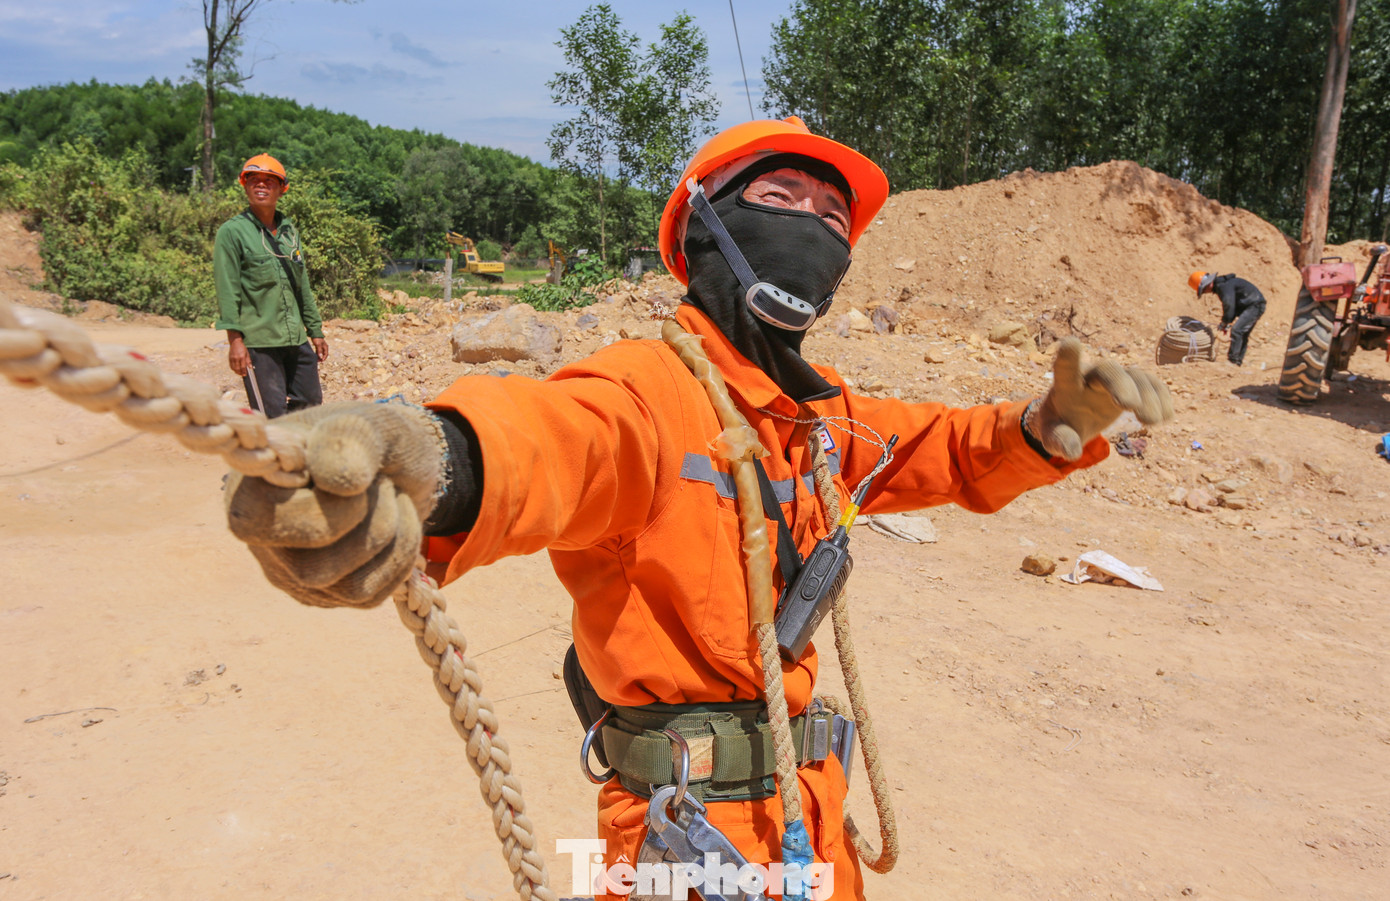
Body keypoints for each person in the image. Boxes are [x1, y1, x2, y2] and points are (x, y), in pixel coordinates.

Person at [224, 118, 1173, 900]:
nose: (813, 225)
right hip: (686, 849)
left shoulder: (822, 415)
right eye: (780, 199)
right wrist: (435, 461)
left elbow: (946, 447)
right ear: (704, 228)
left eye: (833, 215)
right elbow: (556, 437)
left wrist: (1051, 426)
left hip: (807, 821)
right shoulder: (651, 388)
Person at [214, 153, 328, 418]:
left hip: (294, 337)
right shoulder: (232, 232)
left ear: (281, 188)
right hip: (259, 342)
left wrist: (316, 330)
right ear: (245, 186)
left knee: (310, 403)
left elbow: (302, 285)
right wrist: (235, 341)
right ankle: (273, 456)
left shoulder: (289, 231)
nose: (261, 185)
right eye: (254, 180)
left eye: (269, 181)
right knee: (271, 414)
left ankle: (297, 453)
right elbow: (227, 290)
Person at [1189, 270, 1266, 366]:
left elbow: (1229, 305)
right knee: (1242, 333)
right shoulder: (1223, 285)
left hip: (1254, 305)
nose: (1205, 292)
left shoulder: (1223, 286)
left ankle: (1233, 361)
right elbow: (1232, 306)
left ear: (1208, 284)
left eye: (1204, 290)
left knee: (1237, 331)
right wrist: (1226, 322)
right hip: (1254, 304)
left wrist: (1225, 321)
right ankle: (1237, 362)